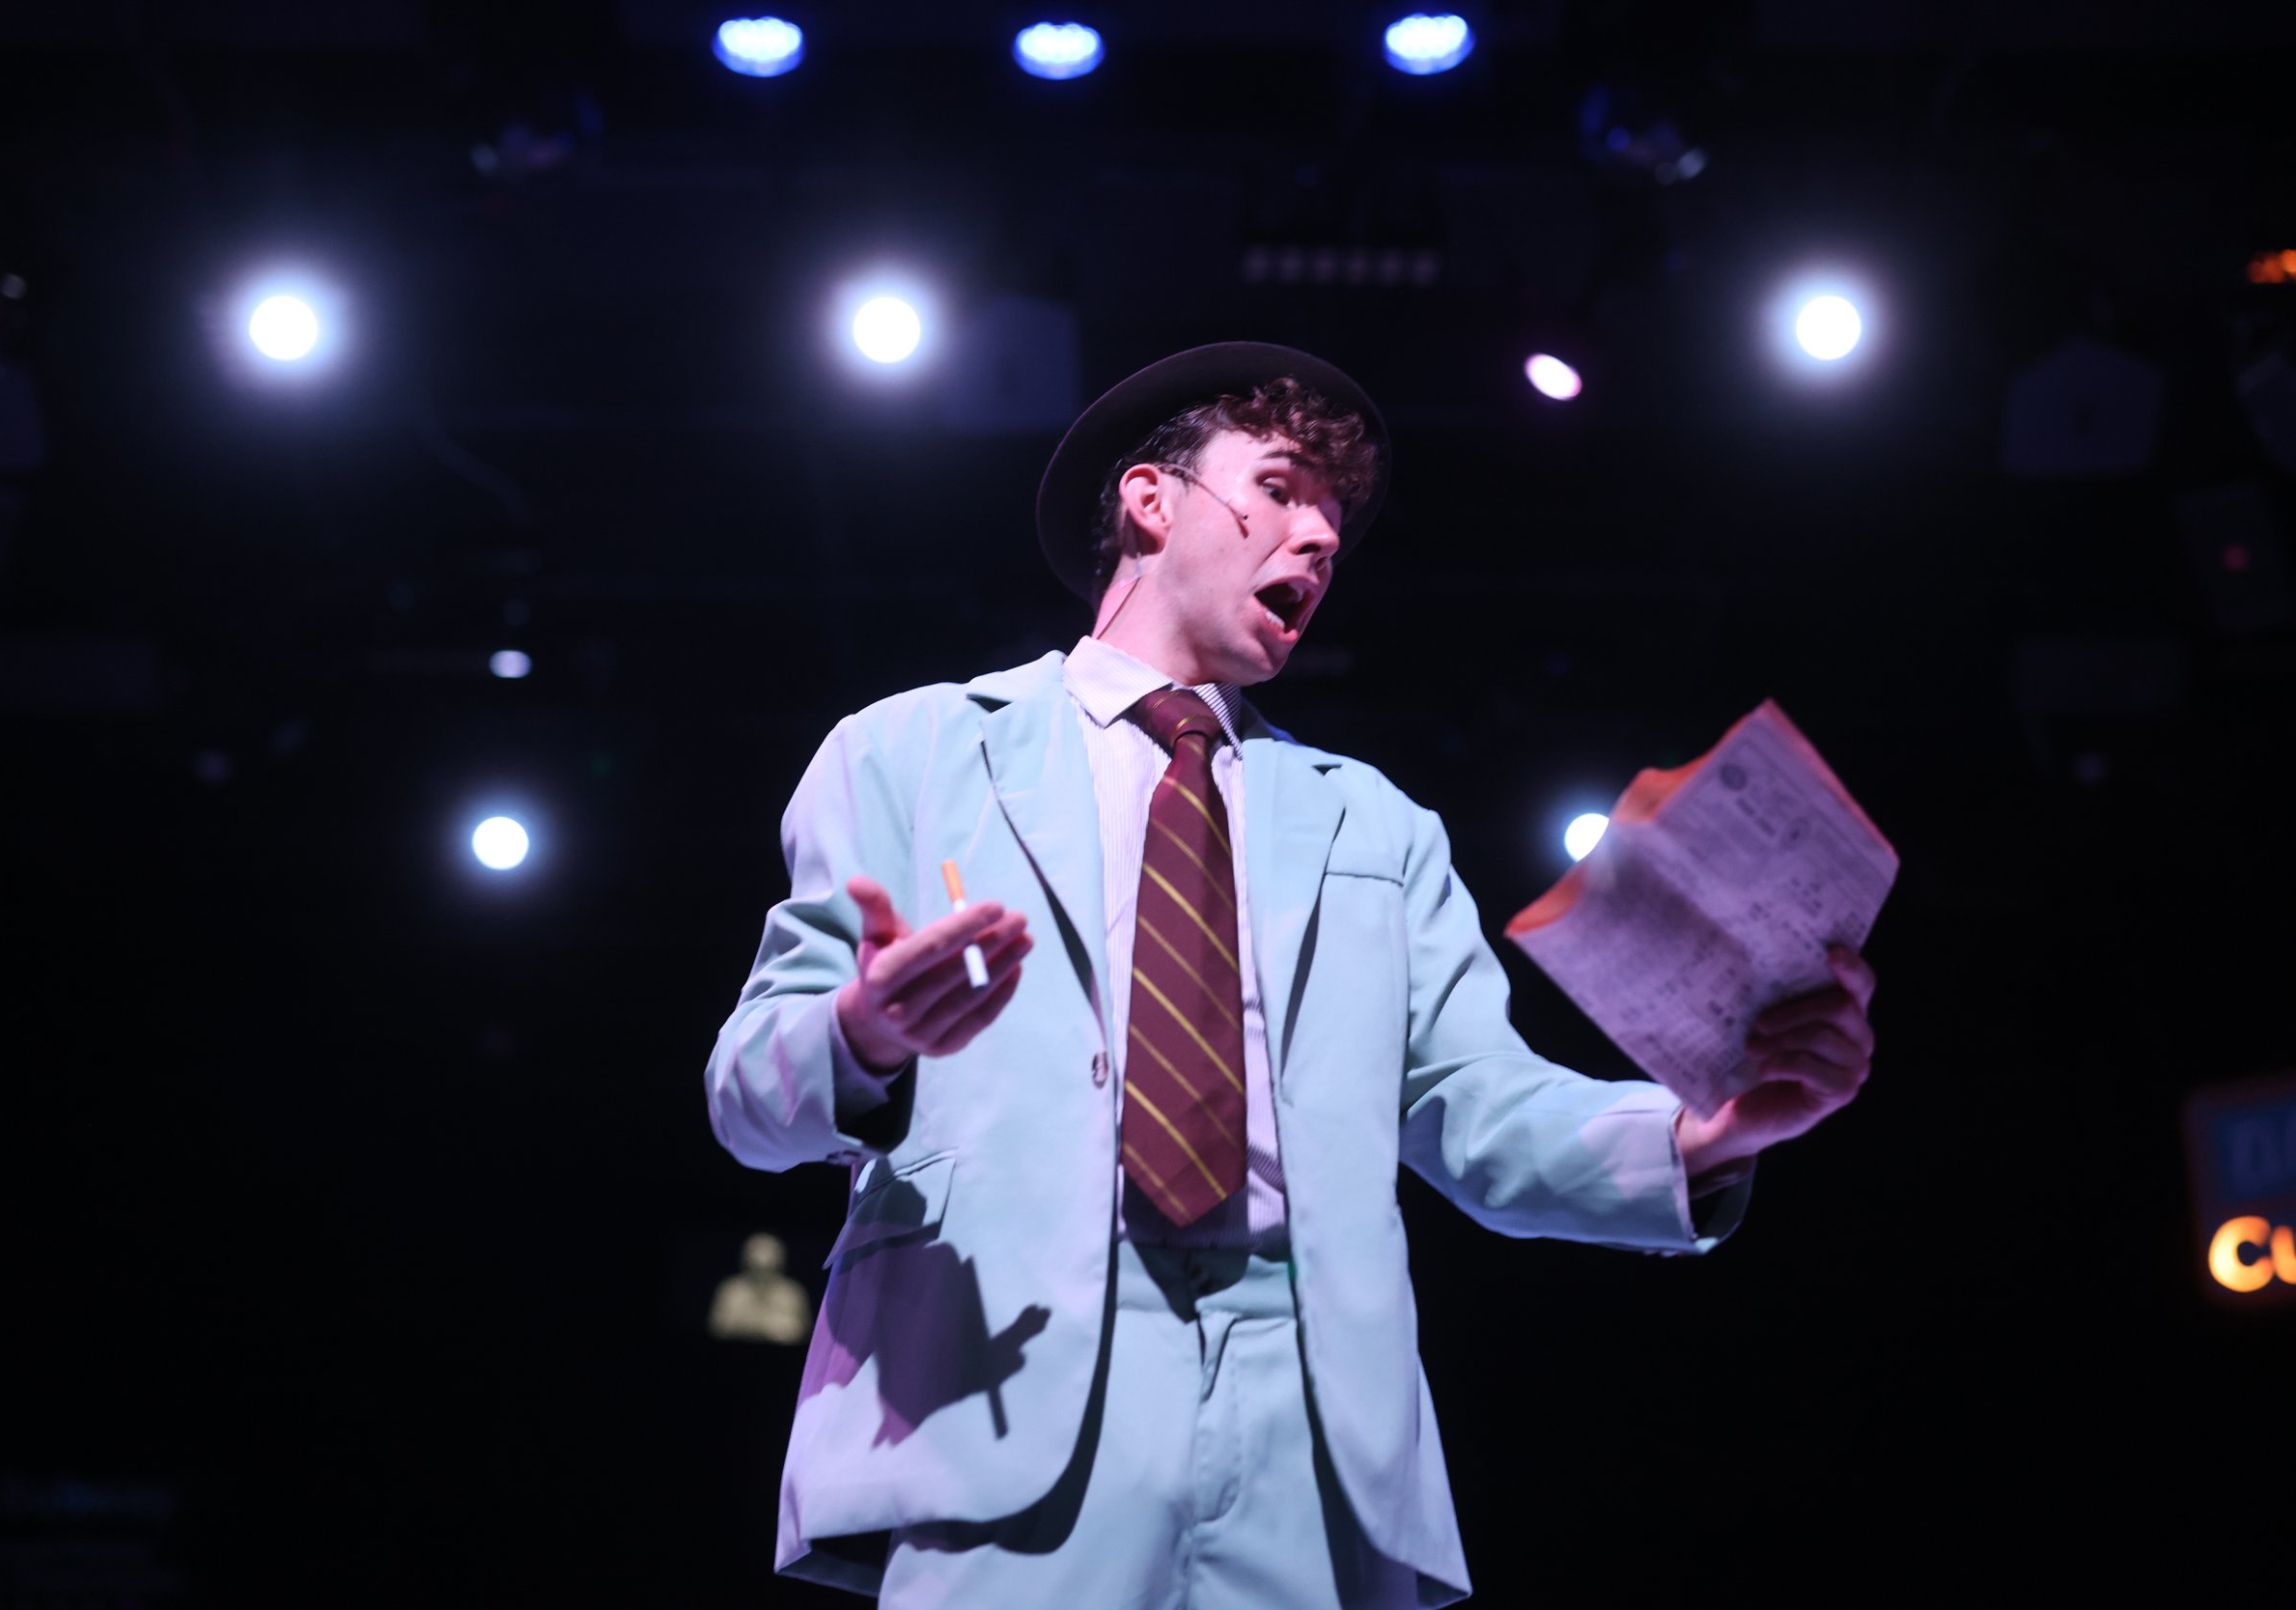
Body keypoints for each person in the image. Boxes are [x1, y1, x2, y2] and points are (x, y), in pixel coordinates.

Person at [705, 342, 1878, 1608]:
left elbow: (1479, 1111)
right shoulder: (913, 751)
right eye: (1278, 488)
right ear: (1150, 500)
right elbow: (746, 1099)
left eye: (1336, 520)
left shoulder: (1374, 826)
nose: (1318, 539)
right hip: (1003, 1389)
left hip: (1306, 1431)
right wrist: (863, 1032)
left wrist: (1707, 1137)